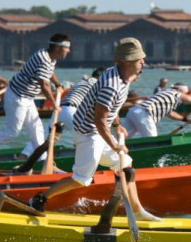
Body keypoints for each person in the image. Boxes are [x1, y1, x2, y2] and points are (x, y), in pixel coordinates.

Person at [31, 38, 158, 220]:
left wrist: (118, 125)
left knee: (126, 165)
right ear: (127, 62)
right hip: (88, 132)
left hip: (98, 130)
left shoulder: (124, 77)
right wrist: (115, 145)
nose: (143, 62)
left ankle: (137, 211)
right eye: (139, 60)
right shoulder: (111, 85)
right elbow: (100, 119)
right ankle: (40, 198)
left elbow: (112, 109)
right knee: (82, 179)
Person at [0, 34, 70, 159]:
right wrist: (54, 105)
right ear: (58, 48)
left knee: (36, 129)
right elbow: (44, 85)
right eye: (67, 48)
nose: (69, 51)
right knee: (12, 132)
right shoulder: (43, 58)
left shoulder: (50, 57)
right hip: (17, 96)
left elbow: (50, 72)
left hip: (28, 98)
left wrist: (58, 84)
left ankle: (42, 160)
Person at [123, 83, 191, 138]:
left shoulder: (164, 93)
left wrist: (185, 119)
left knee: (122, 138)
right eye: (187, 93)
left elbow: (171, 113)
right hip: (144, 114)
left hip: (133, 111)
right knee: (152, 140)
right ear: (182, 91)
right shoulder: (176, 94)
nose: (187, 95)